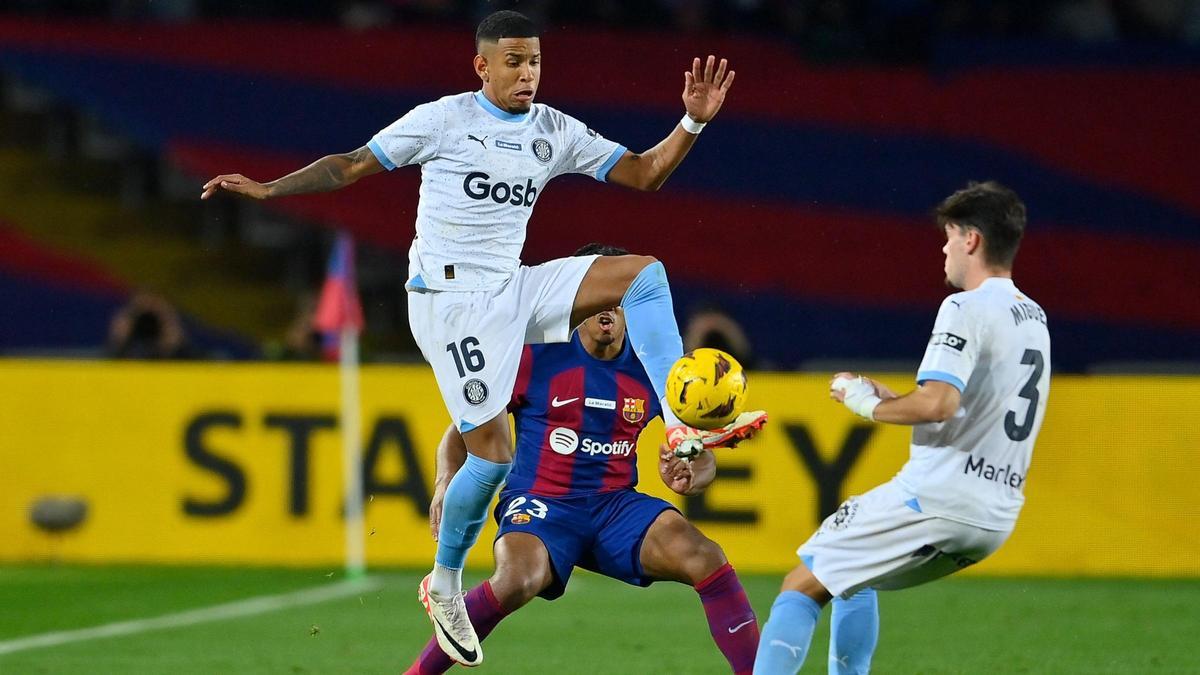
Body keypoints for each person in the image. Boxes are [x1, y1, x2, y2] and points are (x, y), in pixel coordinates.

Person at [200, 10, 755, 666]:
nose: (528, 74)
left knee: (643, 276)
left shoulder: (552, 129)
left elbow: (644, 173)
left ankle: (680, 420)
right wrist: (270, 187)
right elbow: (350, 166)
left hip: (511, 289)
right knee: (490, 456)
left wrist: (692, 121)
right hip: (448, 300)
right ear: (482, 66)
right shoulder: (443, 119)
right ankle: (444, 580)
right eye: (515, 61)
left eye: (536, 61)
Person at [406, 243, 765, 675]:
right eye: (599, 295)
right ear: (578, 298)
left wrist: (693, 469)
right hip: (541, 503)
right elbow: (463, 429)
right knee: (518, 579)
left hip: (615, 507)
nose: (609, 307)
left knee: (705, 555)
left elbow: (701, 459)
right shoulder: (532, 354)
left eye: (620, 297)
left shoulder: (656, 369)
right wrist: (446, 479)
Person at [754, 181, 1051, 674]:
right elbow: (971, 409)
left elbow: (937, 403)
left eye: (950, 236)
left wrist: (865, 404)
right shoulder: (1033, 316)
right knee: (851, 576)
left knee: (801, 585)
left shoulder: (964, 307)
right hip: (996, 514)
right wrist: (892, 399)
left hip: (940, 498)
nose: (944, 247)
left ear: (972, 240)